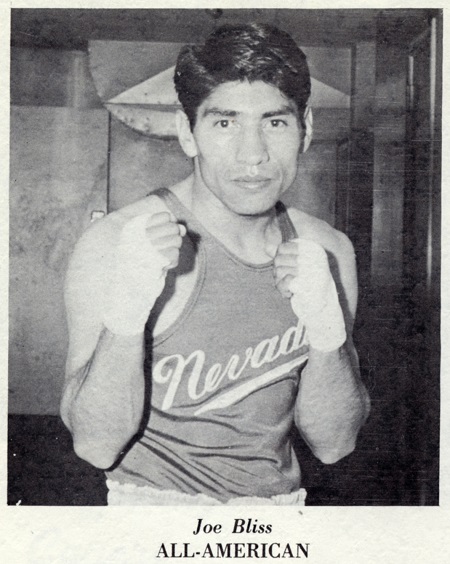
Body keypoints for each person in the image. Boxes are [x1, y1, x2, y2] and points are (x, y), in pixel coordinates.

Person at [60, 23, 370, 506]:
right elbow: (95, 446)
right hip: (152, 522)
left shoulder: (327, 249)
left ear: (305, 129)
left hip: (275, 524)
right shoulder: (113, 243)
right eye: (225, 123)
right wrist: (126, 316)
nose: (253, 155)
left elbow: (335, 444)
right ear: (189, 132)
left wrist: (328, 332)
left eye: (275, 122)